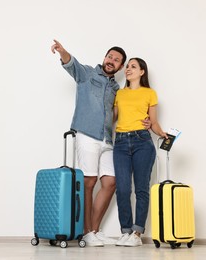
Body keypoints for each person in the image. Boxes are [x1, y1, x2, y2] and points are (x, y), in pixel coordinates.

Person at [51, 40, 150, 247]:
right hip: (87, 134)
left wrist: (146, 120)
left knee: (111, 182)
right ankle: (87, 232)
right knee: (89, 183)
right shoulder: (87, 74)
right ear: (104, 58)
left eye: (117, 60)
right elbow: (71, 64)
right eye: (110, 57)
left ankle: (94, 230)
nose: (111, 61)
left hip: (107, 138)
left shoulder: (116, 88)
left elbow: (120, 113)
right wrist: (62, 51)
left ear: (121, 67)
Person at [113, 57, 168, 247]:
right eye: (127, 66)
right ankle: (125, 231)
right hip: (120, 142)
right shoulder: (119, 94)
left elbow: (153, 122)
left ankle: (137, 233)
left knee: (141, 189)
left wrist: (161, 133)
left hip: (142, 142)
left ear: (142, 72)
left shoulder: (150, 93)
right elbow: (112, 118)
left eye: (133, 66)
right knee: (122, 189)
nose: (128, 69)